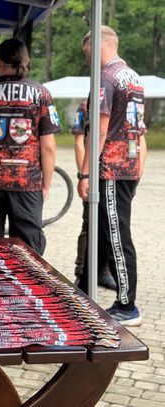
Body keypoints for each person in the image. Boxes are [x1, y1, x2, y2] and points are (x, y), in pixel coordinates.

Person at [77, 26, 147, 326]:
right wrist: (138, 166)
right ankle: (83, 291)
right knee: (101, 233)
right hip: (128, 167)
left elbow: (100, 129)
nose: (86, 58)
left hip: (111, 169)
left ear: (97, 45)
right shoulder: (134, 77)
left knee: (117, 236)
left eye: (86, 52)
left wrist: (85, 173)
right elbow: (139, 130)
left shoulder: (105, 77)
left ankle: (127, 306)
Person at [0, 38, 60, 255]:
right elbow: (48, 147)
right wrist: (45, 185)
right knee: (28, 250)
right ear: (26, 60)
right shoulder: (41, 94)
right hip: (26, 181)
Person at [72, 101, 117, 291]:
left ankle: (103, 271)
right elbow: (79, 142)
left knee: (110, 226)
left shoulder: (123, 102)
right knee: (89, 224)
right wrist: (85, 174)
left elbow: (139, 138)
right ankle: (81, 272)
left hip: (116, 175)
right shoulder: (87, 105)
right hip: (94, 174)